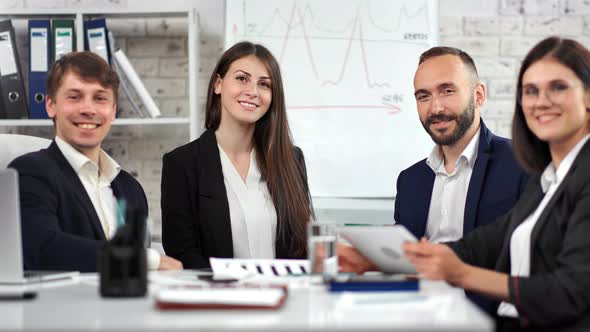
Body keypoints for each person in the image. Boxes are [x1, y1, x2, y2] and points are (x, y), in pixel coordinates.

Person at [403, 37, 590, 330]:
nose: (542, 101)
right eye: (530, 91)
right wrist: (382, 258)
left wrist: (461, 274)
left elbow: (571, 291)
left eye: (558, 87)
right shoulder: (550, 176)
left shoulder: (571, 174)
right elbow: (488, 241)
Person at [8, 51, 182, 272]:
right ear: (51, 105)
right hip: (62, 305)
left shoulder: (131, 189)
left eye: (100, 98)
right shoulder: (29, 172)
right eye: (74, 97)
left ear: (113, 111)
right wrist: (147, 260)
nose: (88, 109)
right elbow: (43, 248)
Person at [161, 41, 314, 269]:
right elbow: (183, 254)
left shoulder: (291, 160)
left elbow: (303, 247)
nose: (252, 92)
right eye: (242, 79)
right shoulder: (181, 164)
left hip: (285, 298)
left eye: (264, 84)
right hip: (218, 299)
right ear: (218, 84)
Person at [395, 46, 528, 243]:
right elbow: (404, 260)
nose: (435, 108)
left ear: (479, 95)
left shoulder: (521, 163)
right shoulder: (409, 181)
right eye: (423, 96)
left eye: (447, 91)